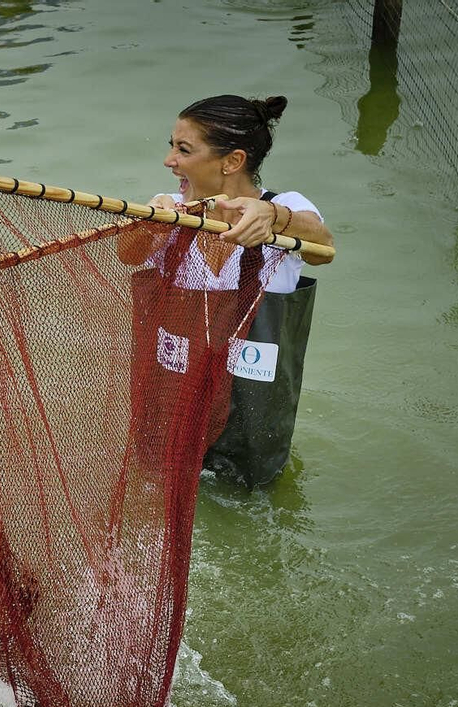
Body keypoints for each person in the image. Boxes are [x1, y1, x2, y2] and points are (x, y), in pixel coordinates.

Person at [119, 94, 335, 487]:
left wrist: (273, 218)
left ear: (232, 161)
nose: (169, 160)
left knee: (252, 491)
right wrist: (148, 224)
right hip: (173, 410)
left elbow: (324, 248)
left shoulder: (283, 208)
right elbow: (127, 254)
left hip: (253, 415)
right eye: (171, 146)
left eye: (183, 149)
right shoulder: (172, 212)